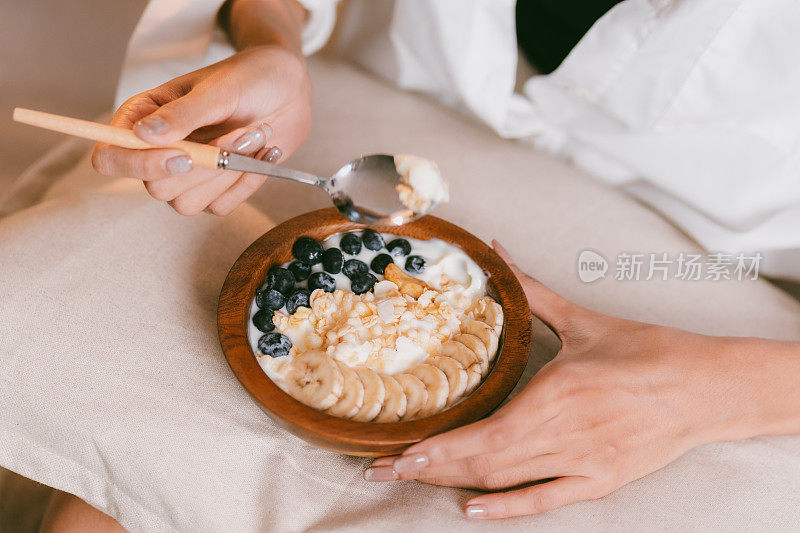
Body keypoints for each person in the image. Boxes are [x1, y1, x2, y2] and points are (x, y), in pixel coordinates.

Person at [41, 0, 800, 528]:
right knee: (118, 488)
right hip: (389, 107)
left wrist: (718, 391)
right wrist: (270, 33)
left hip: (715, 291)